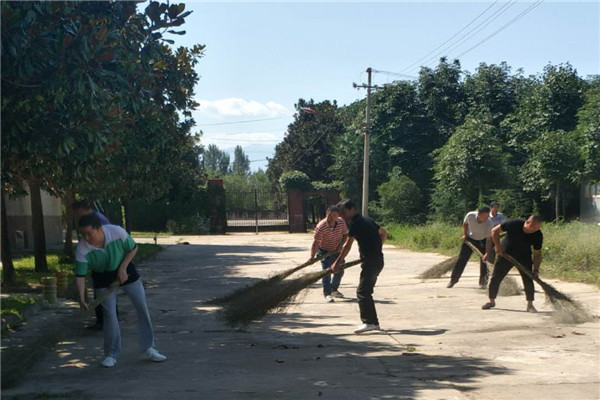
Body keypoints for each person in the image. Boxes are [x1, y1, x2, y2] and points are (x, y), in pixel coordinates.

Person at [75, 213, 166, 367]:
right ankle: (111, 354)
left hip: (126, 271)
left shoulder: (116, 232)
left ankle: (149, 348)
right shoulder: (82, 249)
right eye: (83, 234)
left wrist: (123, 268)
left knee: (141, 307)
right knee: (110, 315)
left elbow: (133, 248)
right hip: (102, 278)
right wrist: (82, 298)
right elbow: (80, 276)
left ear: (100, 229)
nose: (87, 238)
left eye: (89, 233)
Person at [331, 200, 387, 334]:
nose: (342, 217)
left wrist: (337, 262)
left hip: (371, 262)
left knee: (363, 292)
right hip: (377, 260)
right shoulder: (367, 220)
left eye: (343, 213)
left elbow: (347, 245)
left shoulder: (355, 223)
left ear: (352, 209)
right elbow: (384, 233)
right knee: (365, 291)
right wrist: (376, 248)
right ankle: (371, 322)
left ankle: (370, 322)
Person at [482, 214, 544, 313]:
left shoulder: (538, 235)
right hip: (505, 254)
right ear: (527, 222)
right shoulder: (514, 224)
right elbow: (494, 231)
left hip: (524, 256)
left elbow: (537, 254)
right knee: (496, 277)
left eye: (537, 228)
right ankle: (491, 301)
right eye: (533, 227)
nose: (534, 230)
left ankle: (530, 304)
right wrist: (498, 247)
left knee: (528, 279)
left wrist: (536, 269)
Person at [72, 199, 113, 330]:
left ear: (82, 209)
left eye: (76, 212)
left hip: (105, 264)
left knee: (106, 294)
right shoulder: (93, 218)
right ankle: (102, 321)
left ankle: (106, 322)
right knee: (101, 293)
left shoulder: (97, 220)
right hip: (96, 262)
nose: (76, 215)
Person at [447, 206, 493, 289]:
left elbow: (489, 239)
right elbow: (465, 224)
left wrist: (487, 252)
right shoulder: (470, 215)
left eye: (487, 216)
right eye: (484, 216)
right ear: (478, 214)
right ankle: (453, 280)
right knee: (462, 259)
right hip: (470, 239)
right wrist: (464, 234)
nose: (486, 218)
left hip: (482, 240)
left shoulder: (489, 223)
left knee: (484, 261)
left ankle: (483, 283)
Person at [311, 205, 349, 303]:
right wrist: (312, 257)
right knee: (327, 272)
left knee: (339, 270)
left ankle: (334, 289)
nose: (332, 218)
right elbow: (315, 243)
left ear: (338, 216)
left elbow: (345, 235)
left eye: (335, 215)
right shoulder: (321, 226)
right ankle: (327, 294)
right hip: (324, 250)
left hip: (337, 249)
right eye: (330, 216)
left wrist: (341, 244)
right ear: (327, 215)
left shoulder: (341, 222)